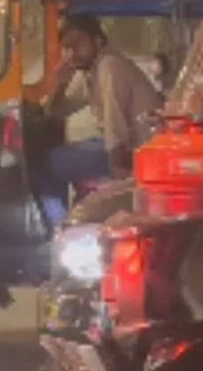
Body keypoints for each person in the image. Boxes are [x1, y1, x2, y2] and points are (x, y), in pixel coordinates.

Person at [37, 14, 163, 225]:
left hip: (138, 150)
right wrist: (59, 85)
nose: (72, 54)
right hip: (118, 146)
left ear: (98, 41)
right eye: (67, 48)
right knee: (51, 153)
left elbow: (116, 126)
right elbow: (56, 112)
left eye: (78, 45)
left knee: (49, 163)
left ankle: (59, 223)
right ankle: (61, 220)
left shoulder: (110, 66)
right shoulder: (88, 71)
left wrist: (119, 176)